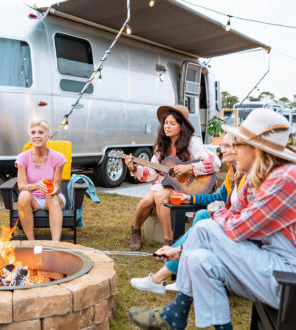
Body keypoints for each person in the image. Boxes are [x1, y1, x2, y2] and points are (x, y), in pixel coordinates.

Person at [129, 108, 296, 329]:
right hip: (265, 266)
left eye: (237, 145)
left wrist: (217, 211)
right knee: (199, 260)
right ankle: (191, 318)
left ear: (256, 150)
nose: (230, 151)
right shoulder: (254, 181)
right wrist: (181, 251)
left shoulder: (285, 178)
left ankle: (176, 313)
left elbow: (238, 229)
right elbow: (236, 222)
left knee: (207, 225)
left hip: (287, 277)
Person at [130, 133, 246, 294]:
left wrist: (190, 169)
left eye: (227, 146)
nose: (222, 150)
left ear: (241, 149)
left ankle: (159, 278)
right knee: (200, 216)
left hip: (237, 227)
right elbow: (221, 197)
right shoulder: (233, 172)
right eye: (222, 146)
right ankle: (184, 276)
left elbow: (242, 212)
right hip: (229, 219)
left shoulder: (248, 176)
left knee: (203, 223)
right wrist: (189, 197)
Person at [126, 105, 220, 250]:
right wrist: (134, 168)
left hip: (188, 186)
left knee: (160, 197)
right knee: (146, 200)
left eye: (172, 123)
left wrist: (189, 167)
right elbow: (151, 172)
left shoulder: (192, 142)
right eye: (166, 123)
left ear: (181, 126)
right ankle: (136, 231)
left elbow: (215, 163)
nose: (167, 127)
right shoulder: (160, 145)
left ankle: (169, 241)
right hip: (166, 184)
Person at [16, 120, 66, 241]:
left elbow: (57, 186)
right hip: (34, 200)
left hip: (53, 199)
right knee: (23, 195)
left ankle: (55, 243)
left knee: (52, 198)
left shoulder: (58, 157)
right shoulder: (23, 157)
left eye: (41, 132)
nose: (36, 135)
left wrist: (51, 190)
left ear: (47, 137)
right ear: (30, 137)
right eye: (33, 132)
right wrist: (35, 186)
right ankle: (31, 242)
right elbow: (21, 186)